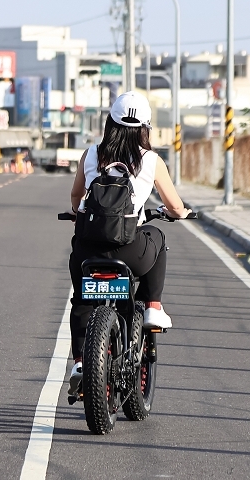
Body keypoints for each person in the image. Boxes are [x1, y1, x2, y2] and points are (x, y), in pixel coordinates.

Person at [66, 91, 191, 395]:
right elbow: (174, 207)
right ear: (145, 128)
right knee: (158, 237)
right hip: (130, 251)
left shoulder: (91, 154)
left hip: (87, 251)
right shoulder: (151, 160)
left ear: (110, 122)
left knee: (82, 300)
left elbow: (75, 198)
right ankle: (151, 306)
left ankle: (82, 362)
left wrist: (80, 213)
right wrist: (180, 213)